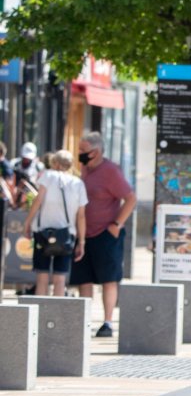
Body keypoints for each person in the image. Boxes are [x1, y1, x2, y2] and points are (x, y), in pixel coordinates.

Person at [70, 132, 137, 338]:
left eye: (83, 151)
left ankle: (107, 322)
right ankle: (85, 321)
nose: (79, 154)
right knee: (84, 279)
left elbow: (131, 198)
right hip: (84, 234)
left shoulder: (110, 171)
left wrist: (116, 224)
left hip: (106, 233)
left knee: (108, 278)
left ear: (96, 152)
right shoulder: (85, 169)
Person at [23, 150, 88, 297]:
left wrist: (27, 223)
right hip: (67, 234)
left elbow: (37, 201)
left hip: (43, 232)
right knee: (60, 278)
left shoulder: (48, 176)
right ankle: (55, 316)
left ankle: (38, 315)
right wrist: (82, 242)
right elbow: (81, 216)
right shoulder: (78, 183)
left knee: (42, 277)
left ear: (55, 163)